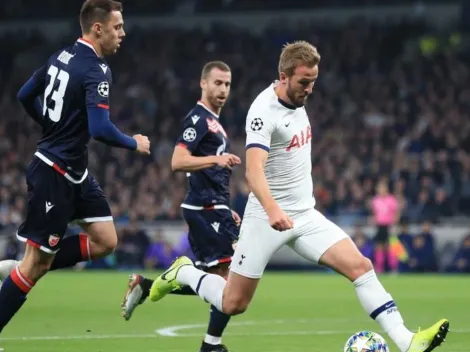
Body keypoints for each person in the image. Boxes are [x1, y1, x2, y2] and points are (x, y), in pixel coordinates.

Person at [147, 41, 449, 352]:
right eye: (304, 82)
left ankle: (407, 341)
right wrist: (273, 209)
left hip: (305, 215)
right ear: (284, 76)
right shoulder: (263, 112)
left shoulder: (297, 99)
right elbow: (253, 172)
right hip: (266, 218)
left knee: (361, 267)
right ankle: (182, 271)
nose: (309, 89)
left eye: (313, 81)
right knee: (233, 302)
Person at [0, 0, 150, 333]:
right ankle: (27, 267)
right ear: (98, 29)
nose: (122, 33)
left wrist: (49, 125)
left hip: (75, 173)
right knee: (33, 271)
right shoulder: (96, 70)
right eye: (117, 27)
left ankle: (27, 262)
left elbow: (25, 94)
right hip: (53, 173)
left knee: (106, 240)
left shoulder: (60, 56)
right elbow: (99, 129)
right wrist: (133, 142)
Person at [121, 61, 241, 352]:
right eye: (217, 83)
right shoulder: (198, 119)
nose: (223, 89)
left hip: (214, 207)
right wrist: (216, 160)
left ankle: (149, 287)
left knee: (219, 285)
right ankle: (210, 342)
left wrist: (226, 208)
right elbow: (178, 161)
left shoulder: (215, 122)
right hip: (205, 208)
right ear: (203, 84)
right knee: (232, 285)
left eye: (227, 83)